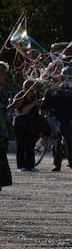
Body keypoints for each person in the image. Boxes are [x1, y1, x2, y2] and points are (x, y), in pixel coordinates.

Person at [41, 75, 72, 172]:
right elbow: (44, 107)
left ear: (62, 79)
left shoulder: (69, 90)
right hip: (54, 120)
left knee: (71, 142)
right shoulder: (49, 92)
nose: (54, 81)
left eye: (56, 80)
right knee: (56, 143)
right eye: (53, 80)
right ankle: (56, 164)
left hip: (67, 120)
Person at [0, 61, 23, 190]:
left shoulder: (3, 95)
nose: (4, 76)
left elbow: (3, 113)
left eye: (4, 73)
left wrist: (13, 106)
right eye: (1, 73)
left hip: (1, 139)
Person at [12, 79, 42, 172]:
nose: (32, 92)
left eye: (34, 90)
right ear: (25, 89)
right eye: (31, 90)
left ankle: (30, 165)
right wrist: (33, 103)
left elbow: (40, 108)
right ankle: (21, 166)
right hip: (20, 123)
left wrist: (39, 104)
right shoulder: (20, 96)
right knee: (21, 145)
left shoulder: (35, 96)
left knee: (30, 145)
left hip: (32, 123)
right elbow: (23, 111)